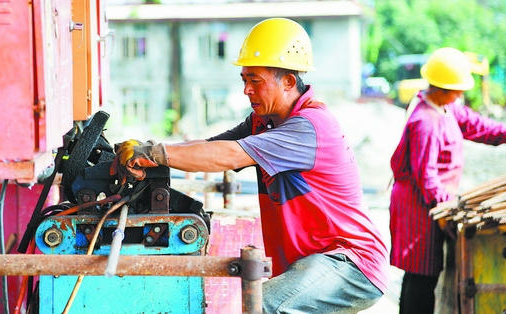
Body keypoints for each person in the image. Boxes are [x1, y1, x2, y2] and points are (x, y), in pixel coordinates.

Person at [111, 18, 388, 313]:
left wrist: (153, 153)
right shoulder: (264, 123)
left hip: (350, 263)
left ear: (289, 82)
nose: (247, 90)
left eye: (255, 81)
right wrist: (147, 152)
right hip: (318, 259)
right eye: (244, 80)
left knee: (262, 305)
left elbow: (229, 156)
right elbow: (209, 147)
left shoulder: (308, 127)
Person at [389, 47, 506, 314]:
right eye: (458, 89)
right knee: (421, 276)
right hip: (419, 206)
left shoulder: (445, 107)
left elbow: (480, 127)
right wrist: (447, 208)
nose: (461, 95)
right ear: (441, 88)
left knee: (419, 275)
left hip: (427, 202)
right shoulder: (426, 121)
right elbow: (426, 176)